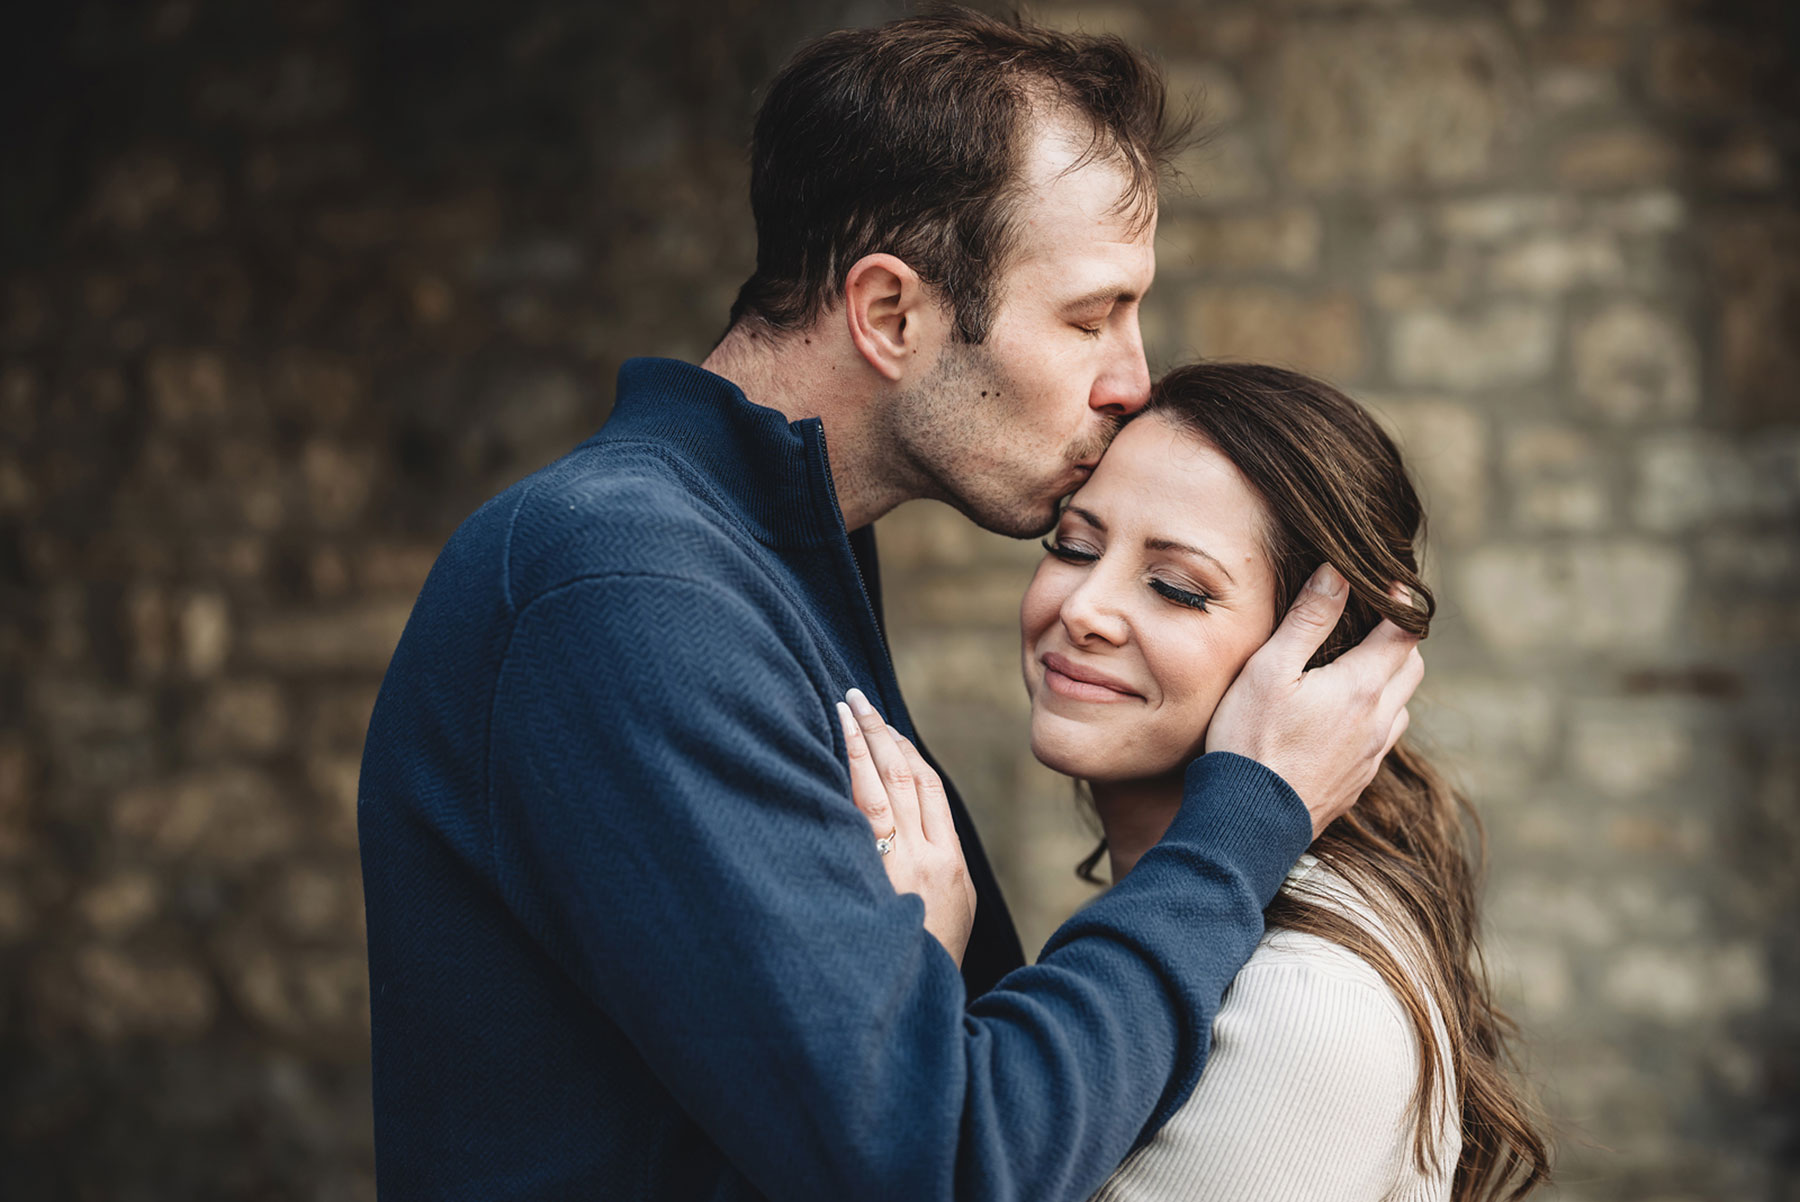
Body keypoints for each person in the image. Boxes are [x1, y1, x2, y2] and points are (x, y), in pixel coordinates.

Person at [356, 11, 1422, 1200]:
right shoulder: (620, 589)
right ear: (891, 314)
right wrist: (1236, 831)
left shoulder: (767, 562)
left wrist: (914, 974)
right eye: (1088, 316)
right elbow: (933, 1162)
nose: (1130, 378)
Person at [841, 362, 1551, 1202]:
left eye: (1177, 589)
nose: (1085, 608)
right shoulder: (1168, 912)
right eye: (1074, 546)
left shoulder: (1305, 1001)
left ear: (1317, 661)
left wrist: (911, 976)